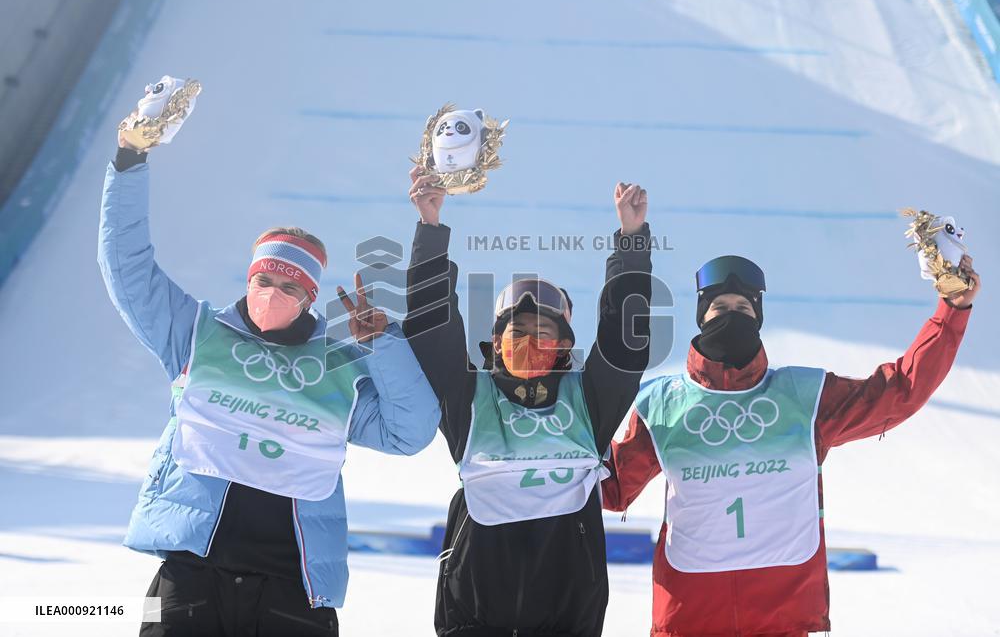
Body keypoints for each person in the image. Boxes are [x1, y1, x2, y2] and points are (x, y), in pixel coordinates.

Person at [99, 124, 440, 636]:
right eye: (264, 280)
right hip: (188, 572)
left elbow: (409, 432)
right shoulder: (196, 335)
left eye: (288, 285)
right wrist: (129, 159)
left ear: (309, 296)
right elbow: (126, 267)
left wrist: (382, 344)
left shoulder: (338, 365)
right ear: (248, 278)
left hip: (296, 586)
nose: (272, 293)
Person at [601, 253, 980, 636]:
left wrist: (952, 309)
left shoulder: (804, 397)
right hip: (689, 617)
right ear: (702, 317)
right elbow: (611, 486)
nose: (732, 315)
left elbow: (898, 392)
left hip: (779, 617)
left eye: (743, 307)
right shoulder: (664, 403)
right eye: (720, 307)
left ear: (759, 318)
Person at [403, 167, 654, 636]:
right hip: (473, 622)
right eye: (517, 333)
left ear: (563, 346)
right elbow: (429, 330)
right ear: (495, 343)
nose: (529, 342)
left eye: (543, 333)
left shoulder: (588, 402)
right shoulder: (469, 400)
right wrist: (431, 230)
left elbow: (626, 344)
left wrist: (632, 242)